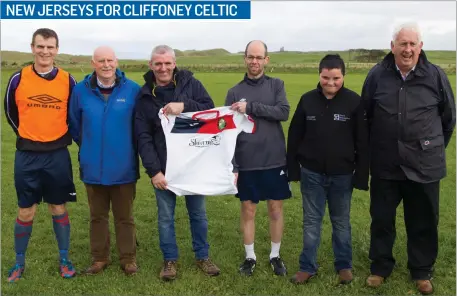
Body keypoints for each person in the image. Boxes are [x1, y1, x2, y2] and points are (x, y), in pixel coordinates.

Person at [362, 22, 455, 295]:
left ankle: (422, 270)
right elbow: (365, 115)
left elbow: (448, 120)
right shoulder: (377, 75)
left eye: (413, 44)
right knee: (381, 218)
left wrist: (430, 147)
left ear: (421, 47)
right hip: (386, 163)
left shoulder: (435, 76)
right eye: (403, 44)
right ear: (392, 47)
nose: (408, 49)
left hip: (424, 164)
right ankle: (380, 267)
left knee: (424, 219)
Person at [134, 45, 220, 281]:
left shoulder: (191, 85)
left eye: (167, 63)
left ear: (174, 63)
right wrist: (154, 171)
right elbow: (143, 137)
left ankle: (203, 256)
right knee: (165, 217)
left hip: (193, 166)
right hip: (164, 170)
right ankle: (169, 260)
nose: (163, 68)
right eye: (158, 64)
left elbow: (211, 111)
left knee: (198, 214)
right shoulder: (144, 95)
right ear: (151, 65)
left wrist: (185, 106)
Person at [286, 54, 369, 285]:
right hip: (311, 174)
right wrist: (293, 170)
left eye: (336, 78)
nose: (330, 83)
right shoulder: (307, 100)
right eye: (326, 77)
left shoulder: (354, 102)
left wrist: (362, 175)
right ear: (319, 75)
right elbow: (294, 137)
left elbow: (362, 141)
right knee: (311, 222)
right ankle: (307, 267)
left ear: (343, 76)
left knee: (341, 222)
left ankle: (344, 265)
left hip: (342, 175)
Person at [4, 28, 77, 281]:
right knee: (26, 210)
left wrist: (54, 136)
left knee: (58, 206)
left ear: (57, 49)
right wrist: (28, 136)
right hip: (27, 156)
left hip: (57, 155)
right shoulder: (17, 78)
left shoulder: (68, 80)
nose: (45, 51)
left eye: (50, 47)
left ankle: (65, 259)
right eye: (40, 46)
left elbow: (73, 115)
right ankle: (19, 263)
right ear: (32, 48)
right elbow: (11, 112)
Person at [68, 46, 141, 276]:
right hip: (93, 167)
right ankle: (99, 258)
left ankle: (128, 258)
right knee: (97, 216)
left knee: (124, 216)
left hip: (123, 166)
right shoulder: (80, 91)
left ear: (117, 62)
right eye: (101, 61)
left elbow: (139, 128)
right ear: (93, 63)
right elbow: (75, 126)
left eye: (110, 60)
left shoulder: (133, 90)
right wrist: (90, 147)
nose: (106, 65)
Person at [225, 40, 291, 276]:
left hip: (274, 160)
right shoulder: (233, 91)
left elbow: (283, 112)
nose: (254, 61)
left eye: (258, 57)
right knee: (248, 210)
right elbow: (228, 131)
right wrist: (233, 164)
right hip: (247, 161)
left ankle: (275, 255)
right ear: (244, 58)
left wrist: (251, 106)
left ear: (266, 59)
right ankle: (250, 257)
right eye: (250, 57)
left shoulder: (276, 85)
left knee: (275, 209)